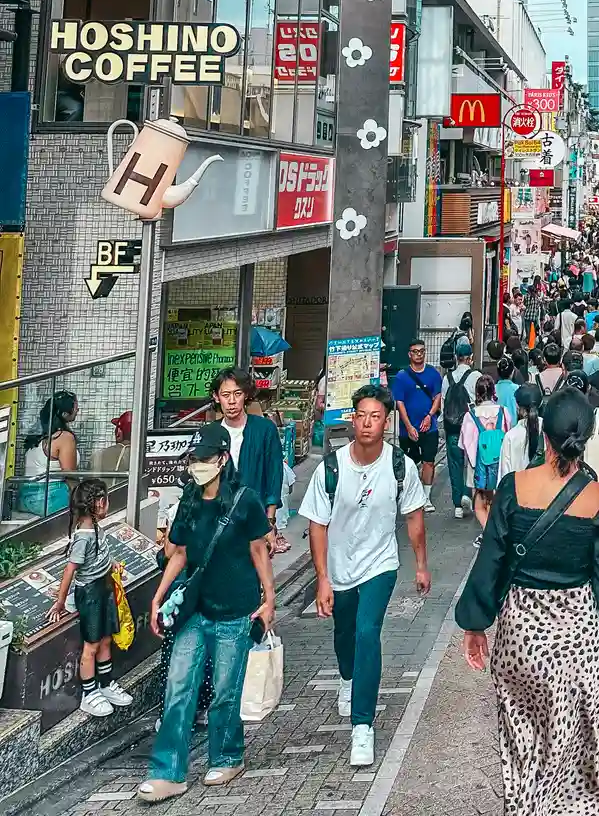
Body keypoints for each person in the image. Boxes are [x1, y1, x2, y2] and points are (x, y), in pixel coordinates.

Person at [457, 388, 599, 816]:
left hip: (522, 634)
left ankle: (527, 807)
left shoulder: (514, 488)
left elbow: (492, 559)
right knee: (575, 748)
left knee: (522, 739)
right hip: (581, 636)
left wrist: (475, 623)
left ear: (542, 436)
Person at [140, 426, 275, 801]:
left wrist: (269, 599)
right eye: (194, 458)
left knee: (225, 692)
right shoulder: (189, 498)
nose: (198, 465)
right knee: (178, 688)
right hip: (194, 611)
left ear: (223, 458)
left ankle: (228, 756)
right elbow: (179, 552)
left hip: (235, 610)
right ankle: (168, 772)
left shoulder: (245, 500)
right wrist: (159, 596)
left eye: (205, 458)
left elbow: (259, 551)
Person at [299, 384, 429, 769]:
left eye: (375, 416)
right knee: (345, 633)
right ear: (352, 419)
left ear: (386, 423)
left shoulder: (399, 466)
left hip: (380, 564)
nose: (367, 423)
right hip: (339, 568)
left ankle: (362, 727)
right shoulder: (331, 468)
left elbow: (415, 520)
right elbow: (317, 526)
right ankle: (346, 677)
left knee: (367, 631)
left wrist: (421, 564)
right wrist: (322, 578)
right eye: (361, 415)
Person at [47, 480, 132, 717]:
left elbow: (100, 555)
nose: (107, 503)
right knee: (91, 646)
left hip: (104, 588)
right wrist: (61, 601)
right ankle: (89, 693)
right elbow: (70, 570)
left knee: (106, 639)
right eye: (104, 498)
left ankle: (105, 684)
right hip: (91, 594)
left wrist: (110, 563)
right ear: (97, 503)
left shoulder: (96, 527)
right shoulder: (84, 536)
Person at [208, 368, 285, 541]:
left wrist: (270, 520)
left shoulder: (264, 429)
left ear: (246, 395)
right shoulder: (210, 432)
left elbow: (274, 474)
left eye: (237, 394)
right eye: (226, 395)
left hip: (254, 520)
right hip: (217, 520)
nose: (232, 401)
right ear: (216, 397)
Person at [391, 339, 443, 512]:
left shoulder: (433, 374)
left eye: (421, 351)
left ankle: (426, 497)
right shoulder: (401, 377)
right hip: (408, 429)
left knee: (429, 461)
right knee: (409, 463)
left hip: (430, 428)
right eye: (415, 351)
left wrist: (429, 416)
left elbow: (437, 397)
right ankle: (410, 495)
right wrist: (408, 426)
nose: (419, 354)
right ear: (409, 354)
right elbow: (400, 403)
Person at [461, 375, 511, 540]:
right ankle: (494, 531)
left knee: (479, 501)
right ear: (493, 391)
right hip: (498, 461)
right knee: (494, 498)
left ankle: (488, 533)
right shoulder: (503, 412)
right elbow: (507, 433)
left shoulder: (471, 415)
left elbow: (465, 443)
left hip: (478, 463)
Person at [20, 390, 78, 515]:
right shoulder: (65, 438)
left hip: (26, 498)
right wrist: (81, 500)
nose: (77, 411)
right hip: (51, 498)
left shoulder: (38, 437)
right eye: (75, 407)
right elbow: (70, 475)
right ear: (65, 413)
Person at [442, 339, 481, 521]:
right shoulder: (475, 376)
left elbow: (443, 402)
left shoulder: (446, 378)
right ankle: (467, 494)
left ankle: (457, 505)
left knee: (454, 464)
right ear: (470, 358)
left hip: (452, 426)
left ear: (457, 358)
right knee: (472, 461)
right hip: (471, 425)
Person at [499, 383, 543, 480]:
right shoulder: (549, 431)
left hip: (518, 492)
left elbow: (504, 476)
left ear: (518, 407)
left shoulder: (511, 436)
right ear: (540, 403)